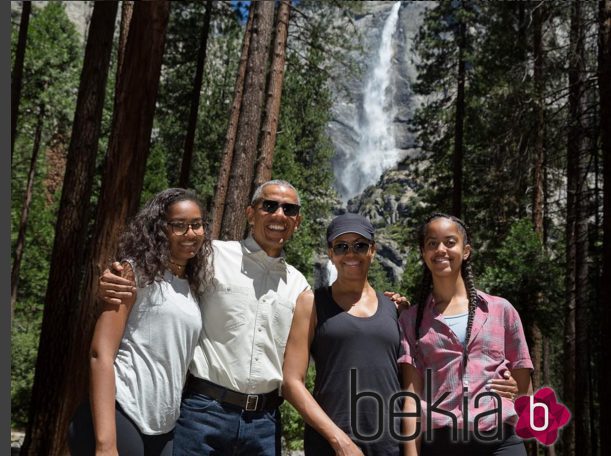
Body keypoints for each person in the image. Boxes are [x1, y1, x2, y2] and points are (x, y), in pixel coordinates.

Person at [97, 180, 310, 455]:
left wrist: (385, 305)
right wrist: (112, 277)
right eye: (269, 205)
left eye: (289, 209)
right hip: (203, 413)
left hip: (264, 424)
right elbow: (156, 265)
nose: (279, 214)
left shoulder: (299, 286)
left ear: (297, 221)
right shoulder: (210, 255)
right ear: (250, 213)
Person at [68, 188, 213, 455]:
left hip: (163, 427)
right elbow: (101, 354)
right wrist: (105, 443)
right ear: (160, 229)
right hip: (121, 412)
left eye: (196, 224)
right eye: (178, 226)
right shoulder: (133, 273)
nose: (190, 233)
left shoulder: (192, 286)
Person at [398, 213, 533, 456]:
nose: (441, 250)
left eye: (450, 242)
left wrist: (514, 392)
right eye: (432, 243)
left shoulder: (501, 310)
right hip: (441, 444)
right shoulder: (411, 320)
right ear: (423, 253)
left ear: (466, 250)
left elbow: (524, 387)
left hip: (501, 443)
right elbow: (411, 400)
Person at [282, 213, 403, 455]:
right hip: (331, 444)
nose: (351, 254)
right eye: (341, 246)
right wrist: (340, 440)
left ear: (373, 250)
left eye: (360, 245)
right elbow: (291, 382)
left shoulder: (394, 307)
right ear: (330, 253)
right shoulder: (311, 302)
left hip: (390, 443)